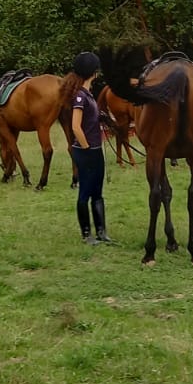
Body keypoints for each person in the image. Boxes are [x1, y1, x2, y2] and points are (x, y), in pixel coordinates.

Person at [69, 50, 111, 245]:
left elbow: (87, 120)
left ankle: (102, 232)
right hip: (86, 151)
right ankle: (87, 234)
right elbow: (75, 127)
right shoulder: (80, 96)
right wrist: (86, 148)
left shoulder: (89, 95)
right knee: (85, 192)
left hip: (95, 149)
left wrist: (100, 118)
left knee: (97, 191)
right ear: (94, 72)